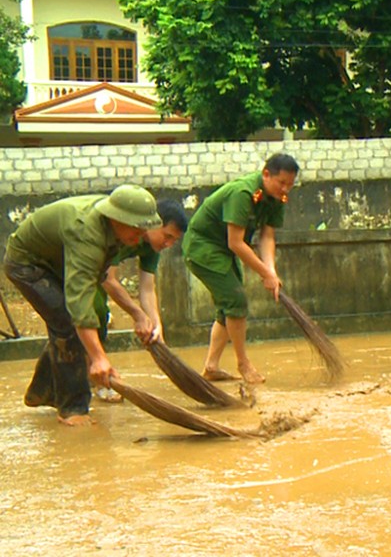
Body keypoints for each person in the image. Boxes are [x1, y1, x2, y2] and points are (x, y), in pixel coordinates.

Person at [3, 185, 161, 426]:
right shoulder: (86, 232)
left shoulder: (116, 230)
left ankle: (42, 391)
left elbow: (95, 279)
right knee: (67, 321)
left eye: (144, 230)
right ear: (117, 219)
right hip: (27, 263)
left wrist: (137, 315)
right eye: (136, 229)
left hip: (58, 261)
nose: (140, 238)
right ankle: (72, 409)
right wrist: (98, 357)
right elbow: (79, 301)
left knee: (67, 323)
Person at [182, 153, 299, 385]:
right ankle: (243, 363)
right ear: (266, 174)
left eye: (290, 185)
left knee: (228, 305)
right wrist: (264, 273)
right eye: (282, 183)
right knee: (236, 301)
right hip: (204, 247)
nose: (286, 189)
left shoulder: (277, 198)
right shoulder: (243, 193)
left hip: (225, 249)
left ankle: (211, 367)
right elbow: (235, 242)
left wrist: (271, 271)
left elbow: (267, 237)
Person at [92, 199, 189, 402]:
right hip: (82, 266)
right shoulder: (125, 233)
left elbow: (147, 288)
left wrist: (156, 325)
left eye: (174, 241)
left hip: (97, 273)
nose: (168, 244)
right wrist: (138, 314)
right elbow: (108, 280)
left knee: (91, 318)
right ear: (153, 224)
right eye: (167, 236)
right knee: (95, 313)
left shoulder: (151, 248)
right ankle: (97, 379)